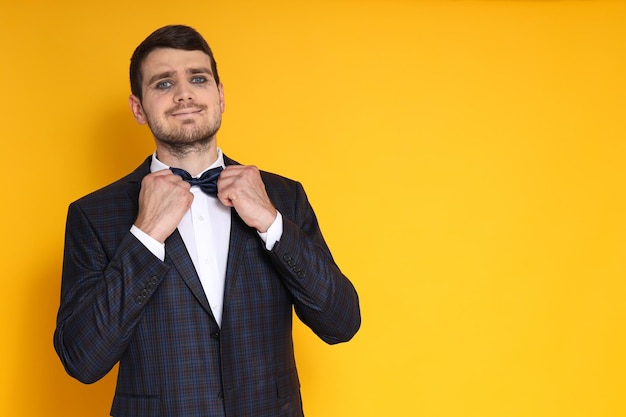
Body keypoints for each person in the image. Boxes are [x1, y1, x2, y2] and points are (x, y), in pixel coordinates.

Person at [53, 24, 361, 417]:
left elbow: (341, 323)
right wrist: (145, 237)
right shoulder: (93, 215)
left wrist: (271, 223)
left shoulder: (283, 197)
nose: (184, 93)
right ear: (138, 108)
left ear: (220, 94)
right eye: (164, 84)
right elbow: (82, 360)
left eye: (198, 78)